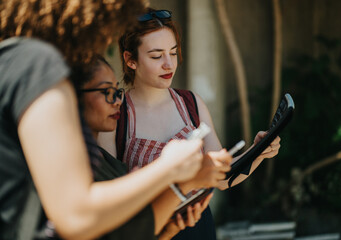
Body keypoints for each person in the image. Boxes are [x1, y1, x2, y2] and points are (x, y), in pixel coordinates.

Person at [0, 1, 210, 239]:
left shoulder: (12, 62)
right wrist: (169, 168)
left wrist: (170, 224)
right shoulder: (37, 66)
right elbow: (77, 216)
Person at [98, 7, 281, 240]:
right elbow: (109, 196)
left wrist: (258, 153)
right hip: (146, 233)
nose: (169, 64)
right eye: (156, 56)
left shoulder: (191, 103)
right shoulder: (116, 113)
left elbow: (223, 178)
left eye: (173, 53)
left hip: (199, 229)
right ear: (130, 60)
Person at [75, 55, 229, 239]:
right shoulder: (76, 166)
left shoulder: (106, 161)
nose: (117, 100)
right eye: (107, 92)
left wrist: (169, 229)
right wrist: (174, 173)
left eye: (118, 91)